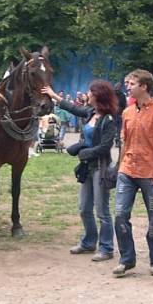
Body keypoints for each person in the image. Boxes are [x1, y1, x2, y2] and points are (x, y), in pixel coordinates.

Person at [44, 81, 118, 262]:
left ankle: (106, 248)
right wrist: (54, 96)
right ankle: (88, 242)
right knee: (84, 208)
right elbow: (72, 108)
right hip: (87, 168)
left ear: (98, 96)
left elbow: (105, 146)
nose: (87, 95)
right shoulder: (90, 112)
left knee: (102, 211)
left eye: (90, 92)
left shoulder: (108, 119)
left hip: (100, 168)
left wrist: (84, 152)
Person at [113, 69, 153, 277]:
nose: (127, 87)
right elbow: (124, 141)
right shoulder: (127, 112)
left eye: (131, 83)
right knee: (120, 215)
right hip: (127, 171)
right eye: (127, 83)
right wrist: (119, 166)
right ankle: (126, 259)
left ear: (144, 87)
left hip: (151, 174)